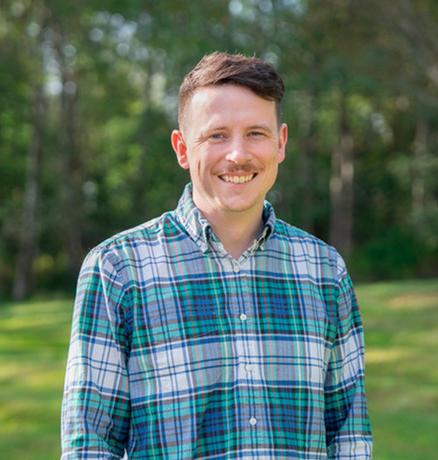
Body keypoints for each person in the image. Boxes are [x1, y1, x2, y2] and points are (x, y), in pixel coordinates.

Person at [61, 51, 372, 459]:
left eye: (256, 133)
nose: (238, 155)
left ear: (280, 143)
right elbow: (90, 444)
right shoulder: (118, 269)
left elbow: (349, 435)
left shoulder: (324, 270)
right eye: (217, 135)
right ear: (182, 148)